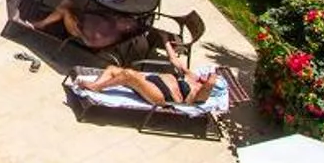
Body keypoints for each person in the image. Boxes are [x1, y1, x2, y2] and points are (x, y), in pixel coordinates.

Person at [27, 0, 145, 51]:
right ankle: (53, 17)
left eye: (126, 20)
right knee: (68, 1)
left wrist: (80, 31)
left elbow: (91, 43)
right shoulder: (113, 23)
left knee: (65, 10)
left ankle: (41, 24)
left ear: (127, 28)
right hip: (81, 20)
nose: (122, 18)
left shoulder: (112, 36)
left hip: (77, 33)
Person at [74, 65, 220, 106]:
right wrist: (166, 41)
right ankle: (96, 84)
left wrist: (215, 74)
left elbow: (210, 84)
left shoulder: (201, 93)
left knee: (128, 75)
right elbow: (176, 61)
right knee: (112, 68)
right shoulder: (192, 76)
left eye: (208, 75)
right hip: (152, 81)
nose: (205, 74)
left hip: (162, 96)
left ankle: (96, 87)